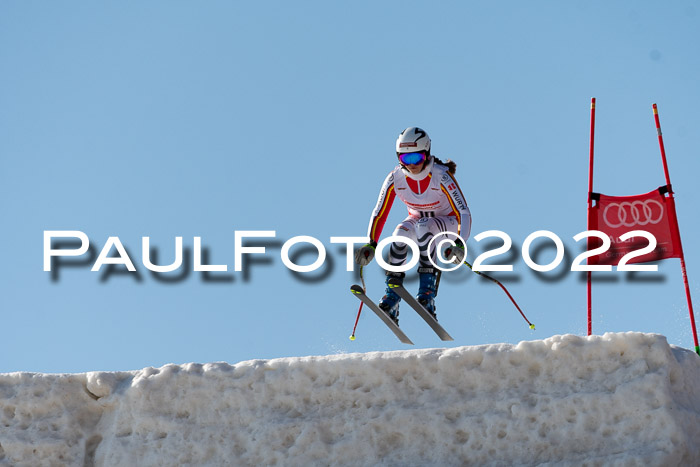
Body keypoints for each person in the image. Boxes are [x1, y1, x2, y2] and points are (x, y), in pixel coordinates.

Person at [354, 127, 472, 325]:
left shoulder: (440, 175)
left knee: (424, 226)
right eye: (405, 160)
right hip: (418, 222)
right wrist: (371, 244)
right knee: (399, 233)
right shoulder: (395, 178)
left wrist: (460, 244)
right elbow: (380, 212)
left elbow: (464, 212)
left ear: (426, 154)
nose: (412, 165)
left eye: (416, 158)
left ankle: (427, 294)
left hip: (447, 223)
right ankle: (392, 298)